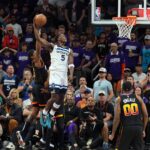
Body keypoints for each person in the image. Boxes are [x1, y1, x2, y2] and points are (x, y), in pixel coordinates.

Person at [33, 18, 74, 150]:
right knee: (55, 96)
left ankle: (51, 114)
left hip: (63, 75)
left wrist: (71, 74)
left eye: (64, 35)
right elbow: (39, 39)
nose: (64, 35)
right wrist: (36, 27)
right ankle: (45, 113)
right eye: (61, 35)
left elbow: (71, 63)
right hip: (55, 73)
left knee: (61, 98)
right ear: (58, 38)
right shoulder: (53, 47)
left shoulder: (69, 50)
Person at [16, 24, 49, 148]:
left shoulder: (37, 63)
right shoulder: (37, 60)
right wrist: (37, 31)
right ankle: (44, 138)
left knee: (35, 111)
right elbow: (39, 44)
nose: (37, 52)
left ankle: (23, 132)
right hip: (40, 88)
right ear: (32, 56)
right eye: (35, 53)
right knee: (46, 111)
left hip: (37, 87)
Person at [109, 81, 148, 150]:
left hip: (126, 127)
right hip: (138, 127)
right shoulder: (138, 97)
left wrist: (113, 133)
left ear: (122, 89)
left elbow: (117, 118)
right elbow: (146, 115)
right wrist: (143, 129)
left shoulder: (119, 99)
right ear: (132, 89)